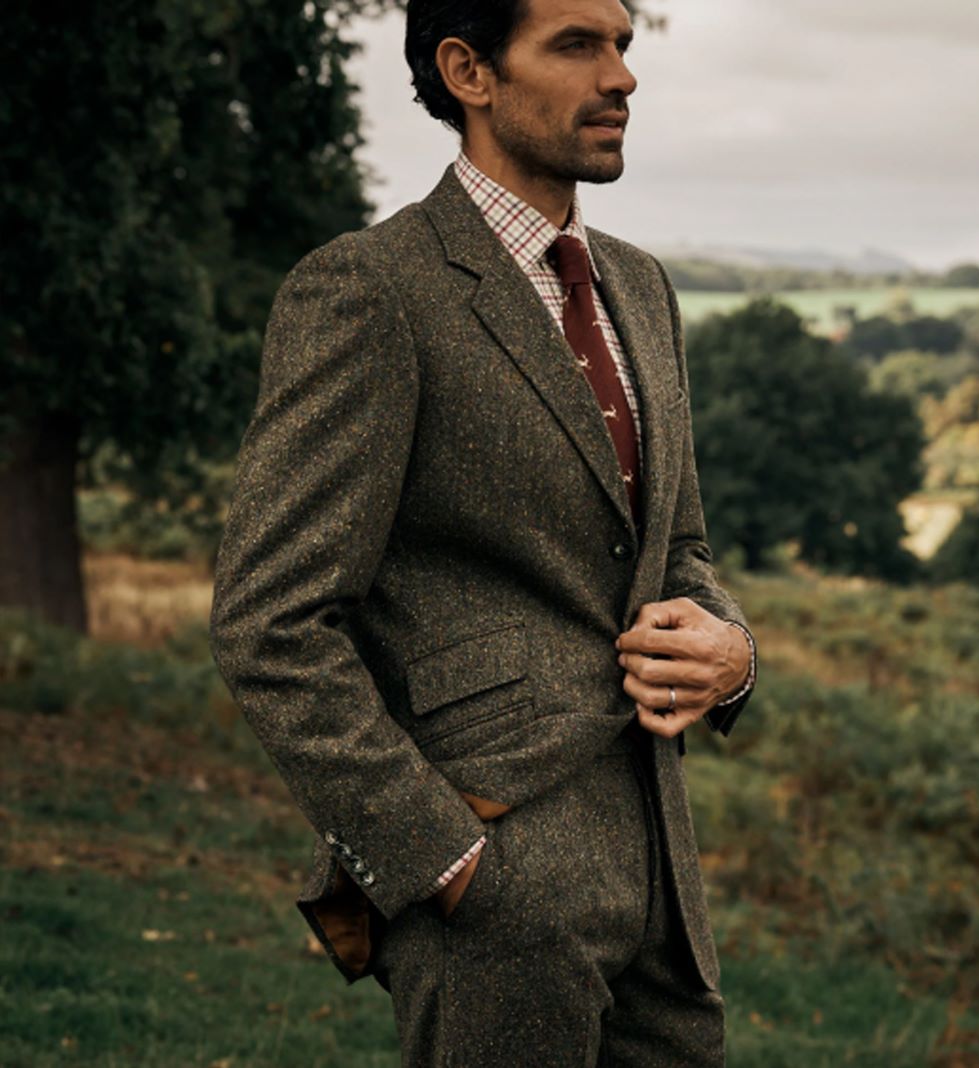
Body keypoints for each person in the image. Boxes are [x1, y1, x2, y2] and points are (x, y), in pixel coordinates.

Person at [209, 0, 757, 1064]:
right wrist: (442, 861)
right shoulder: (369, 290)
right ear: (469, 70)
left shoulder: (641, 289)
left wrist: (732, 656)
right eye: (576, 46)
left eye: (624, 46)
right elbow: (269, 622)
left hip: (667, 901)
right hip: (496, 888)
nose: (622, 79)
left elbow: (677, 551)